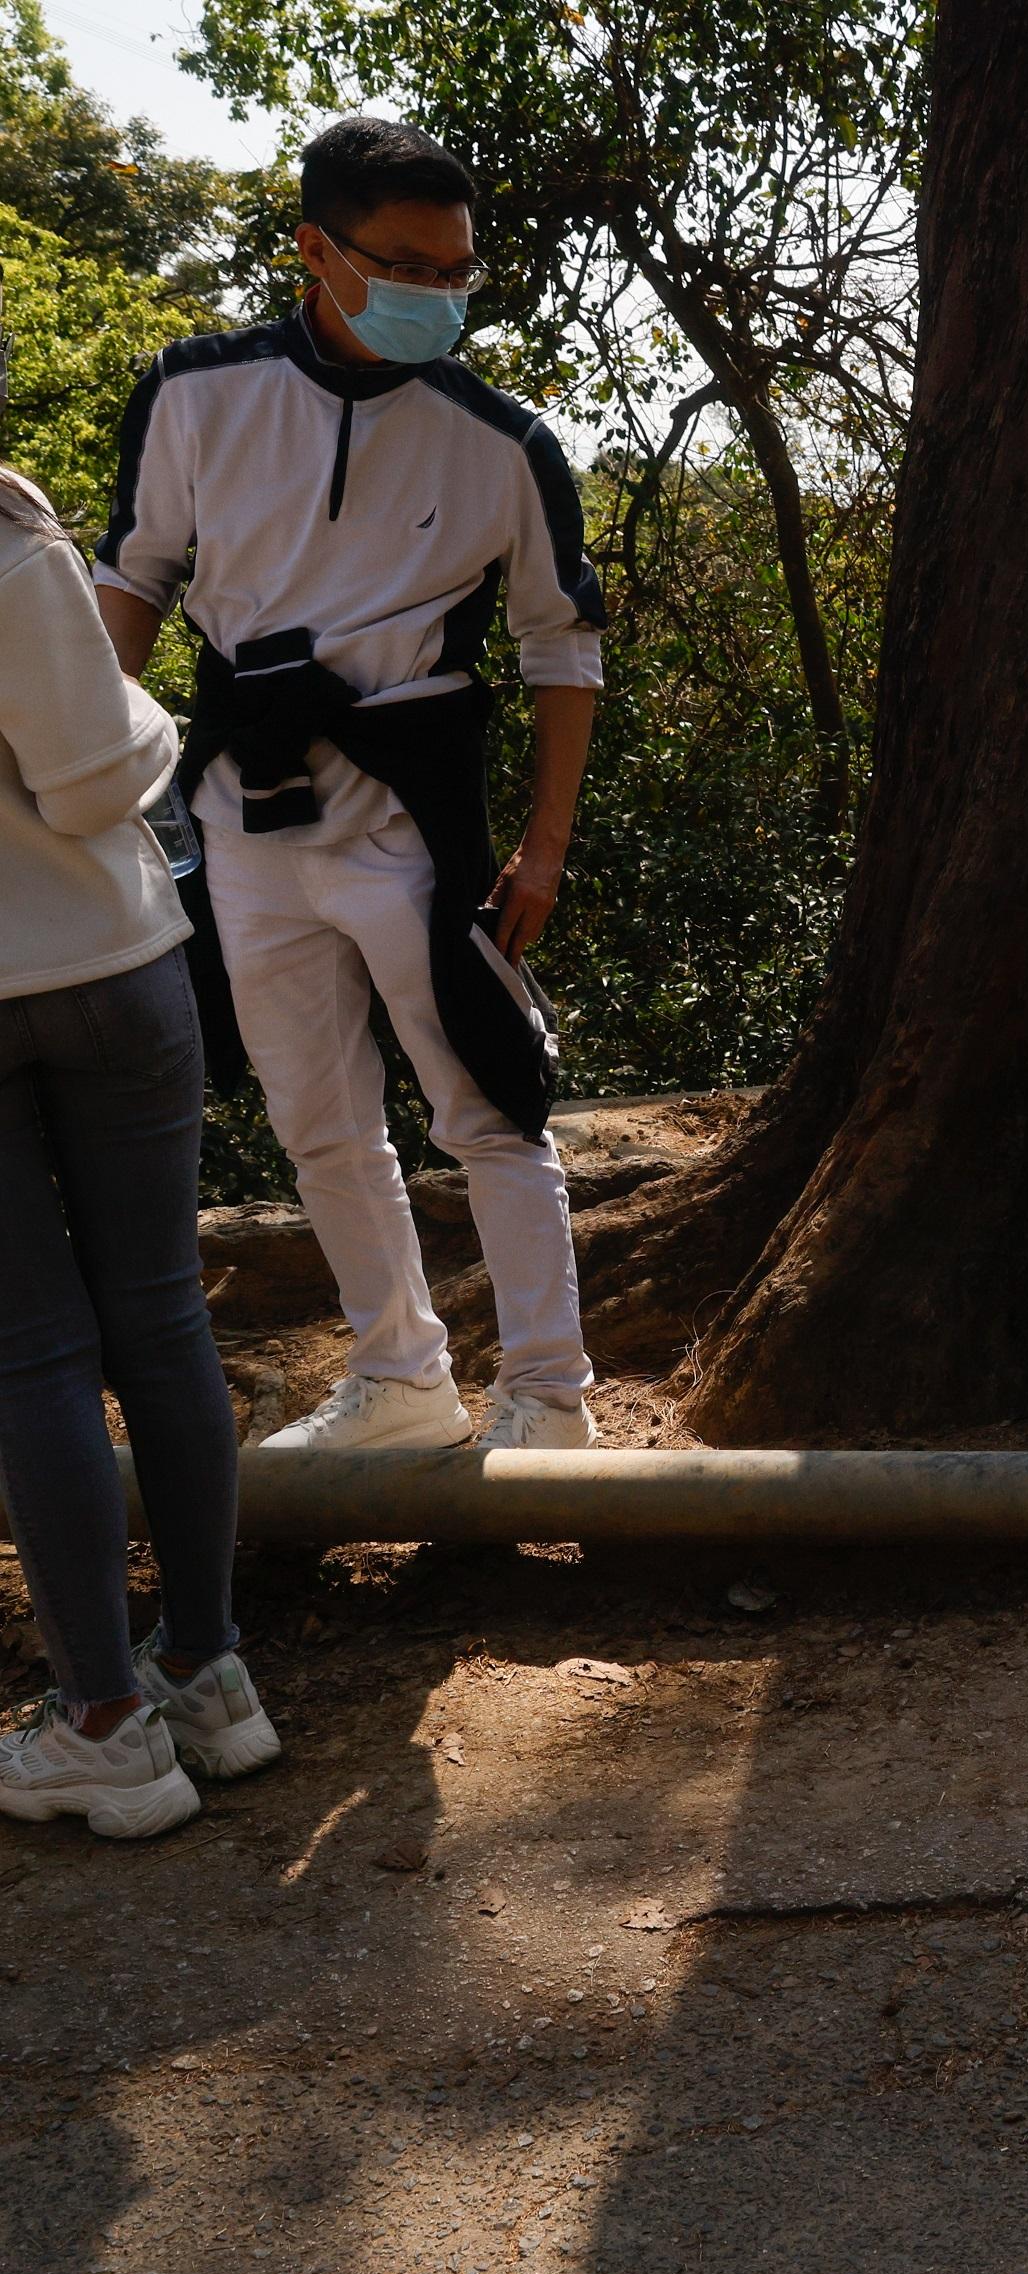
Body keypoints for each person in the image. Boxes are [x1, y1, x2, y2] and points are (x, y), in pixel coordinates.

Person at [95, 116, 606, 1452]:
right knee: (316, 1115)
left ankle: (550, 1397)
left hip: (413, 817)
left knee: (486, 1098)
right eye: (409, 268)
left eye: (459, 273)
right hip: (246, 809)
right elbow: (134, 581)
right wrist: (82, 784)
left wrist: (544, 847)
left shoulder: (501, 440)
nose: (440, 297)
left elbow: (565, 644)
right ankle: (401, 1378)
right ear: (316, 252)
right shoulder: (195, 393)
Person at [0, 463, 279, 1838]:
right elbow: (93, 780)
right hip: (111, 959)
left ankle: (102, 1722)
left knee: (30, 1352)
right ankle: (205, 1670)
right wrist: (154, 717)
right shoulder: (9, 533)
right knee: (162, 1322)